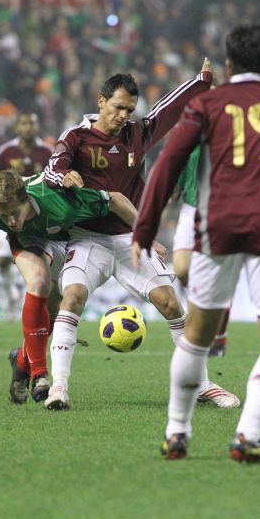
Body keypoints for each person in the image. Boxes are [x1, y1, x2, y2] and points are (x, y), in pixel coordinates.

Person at [132, 24, 260, 463]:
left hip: (215, 227)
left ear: (227, 64)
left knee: (196, 336)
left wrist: (144, 230)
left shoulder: (206, 104)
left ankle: (176, 432)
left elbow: (167, 165)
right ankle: (248, 435)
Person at [42, 58, 239, 411]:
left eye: (129, 110)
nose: (123, 116)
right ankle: (59, 387)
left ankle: (200, 384)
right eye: (118, 107)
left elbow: (169, 107)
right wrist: (64, 177)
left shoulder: (138, 133)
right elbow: (51, 169)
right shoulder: (76, 136)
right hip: (88, 238)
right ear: (101, 100)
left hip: (129, 240)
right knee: (71, 297)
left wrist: (202, 81)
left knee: (171, 303)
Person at [0, 169, 139, 404]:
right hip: (28, 240)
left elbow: (114, 200)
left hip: (64, 241)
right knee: (39, 281)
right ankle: (39, 375)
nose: (11, 221)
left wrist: (145, 235)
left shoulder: (59, 202)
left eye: (15, 213)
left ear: (25, 199)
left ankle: (21, 360)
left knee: (55, 315)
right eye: (3, 216)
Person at [0, 111, 54, 320]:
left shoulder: (47, 151)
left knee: (39, 257)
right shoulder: (6, 152)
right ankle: (9, 296)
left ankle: (39, 299)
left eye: (32, 123)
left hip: (37, 213)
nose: (29, 127)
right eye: (25, 123)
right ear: (17, 127)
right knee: (2, 259)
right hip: (8, 212)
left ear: (38, 126)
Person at [171, 145, 232, 359]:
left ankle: (219, 338)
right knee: (181, 268)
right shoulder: (191, 131)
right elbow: (181, 159)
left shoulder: (232, 133)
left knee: (218, 275)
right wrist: (175, 186)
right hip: (191, 207)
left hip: (222, 208)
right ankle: (203, 304)